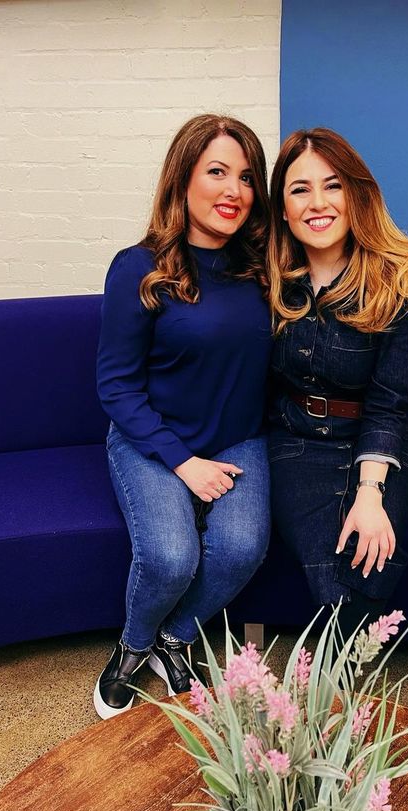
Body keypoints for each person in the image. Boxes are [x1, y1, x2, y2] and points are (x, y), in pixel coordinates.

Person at [94, 114, 273, 719]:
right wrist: (184, 463)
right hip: (152, 437)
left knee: (242, 549)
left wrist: (402, 294)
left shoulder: (264, 266)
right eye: (217, 172)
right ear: (183, 177)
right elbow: (116, 386)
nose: (234, 191)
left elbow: (340, 275)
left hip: (238, 438)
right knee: (172, 558)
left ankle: (175, 637)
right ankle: (134, 645)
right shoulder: (138, 267)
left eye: (246, 177)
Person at [266, 127, 408, 631]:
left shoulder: (393, 286)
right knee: (330, 570)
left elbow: (389, 404)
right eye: (300, 189)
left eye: (333, 185)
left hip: (373, 434)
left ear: (355, 195)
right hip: (295, 442)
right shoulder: (264, 281)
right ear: (282, 209)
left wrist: (370, 493)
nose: (318, 203)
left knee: (368, 554)